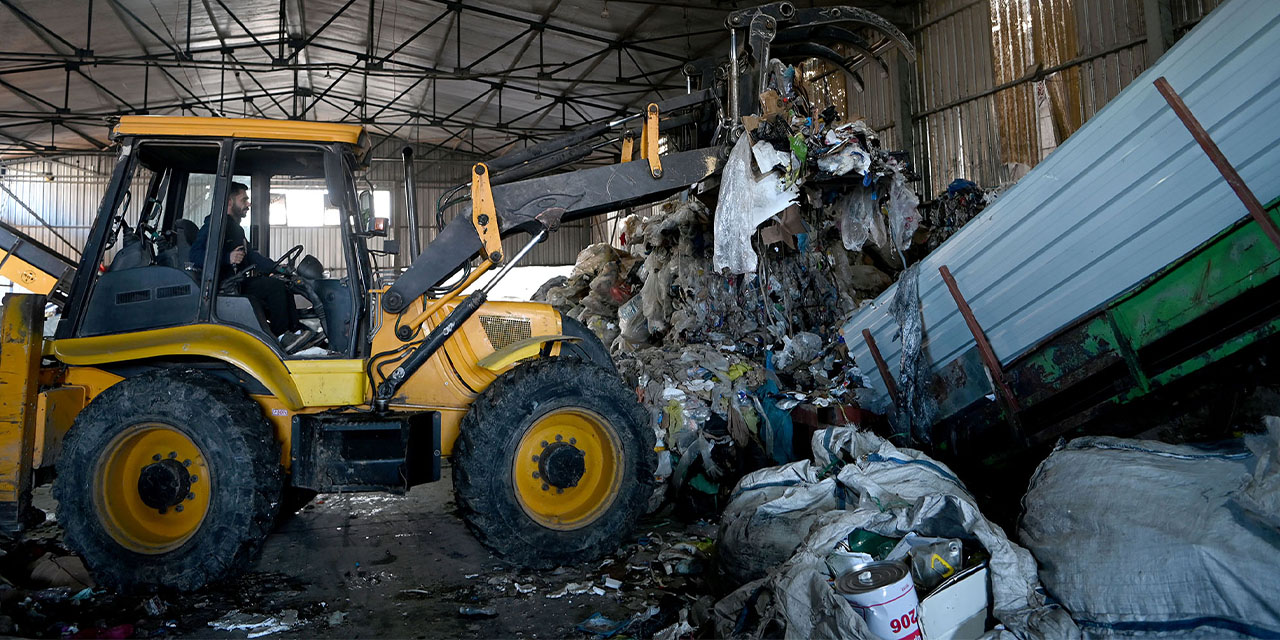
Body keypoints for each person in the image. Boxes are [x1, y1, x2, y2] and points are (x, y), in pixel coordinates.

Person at [189, 181, 299, 337]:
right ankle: (281, 336)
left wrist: (278, 267)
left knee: (284, 284)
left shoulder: (235, 228)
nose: (248, 204)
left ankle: (294, 332)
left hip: (237, 282)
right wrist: (228, 258)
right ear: (229, 202)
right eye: (244, 200)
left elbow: (252, 256)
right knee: (274, 287)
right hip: (224, 287)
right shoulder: (214, 225)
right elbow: (194, 255)